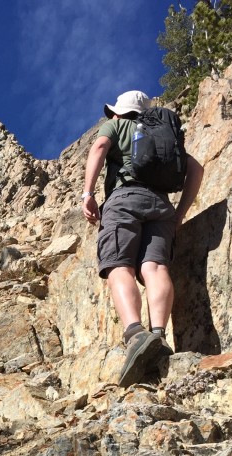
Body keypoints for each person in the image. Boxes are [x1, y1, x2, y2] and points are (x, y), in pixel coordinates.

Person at [81, 89, 204, 387]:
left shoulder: (118, 125)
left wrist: (88, 193)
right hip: (161, 206)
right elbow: (195, 168)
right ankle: (159, 335)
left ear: (120, 111)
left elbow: (99, 147)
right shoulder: (161, 133)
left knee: (118, 265)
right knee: (155, 268)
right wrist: (179, 214)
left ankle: (136, 334)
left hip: (123, 200)